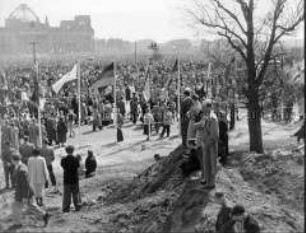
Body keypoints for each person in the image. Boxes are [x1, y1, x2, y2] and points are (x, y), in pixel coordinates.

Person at [10, 152, 49, 229]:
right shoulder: (19, 167)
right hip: (21, 193)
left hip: (24, 194)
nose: (11, 161)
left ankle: (43, 214)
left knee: (30, 206)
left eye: (11, 159)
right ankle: (43, 214)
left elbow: (26, 185)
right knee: (21, 206)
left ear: (14, 160)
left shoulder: (22, 170)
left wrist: (25, 196)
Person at [194, 99, 219, 188]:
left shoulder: (213, 118)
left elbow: (214, 135)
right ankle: (208, 183)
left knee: (211, 164)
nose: (203, 109)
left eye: (204, 107)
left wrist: (207, 142)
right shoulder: (206, 117)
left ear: (209, 107)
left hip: (211, 145)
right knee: (206, 163)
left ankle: (211, 183)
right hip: (206, 144)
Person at [61, 145, 82, 212]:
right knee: (76, 193)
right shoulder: (76, 159)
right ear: (73, 151)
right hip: (74, 178)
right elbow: (78, 167)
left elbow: (63, 166)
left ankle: (66, 208)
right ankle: (77, 206)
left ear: (66, 151)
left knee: (67, 194)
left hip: (67, 179)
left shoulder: (63, 159)